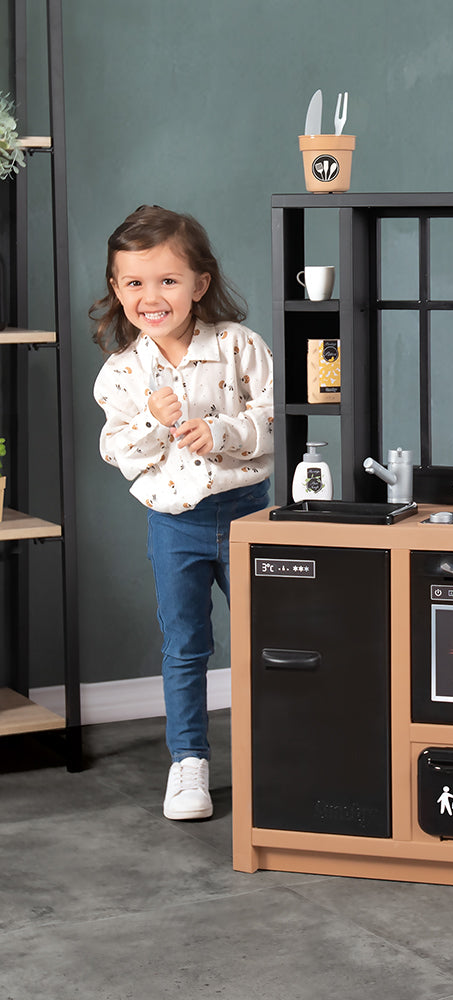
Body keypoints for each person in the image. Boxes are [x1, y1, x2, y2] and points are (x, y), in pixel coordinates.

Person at [92, 205, 273, 821]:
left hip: (247, 516)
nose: (152, 297)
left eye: (168, 280)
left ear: (200, 283)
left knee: (268, 635)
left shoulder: (239, 346)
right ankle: (189, 761)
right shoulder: (122, 374)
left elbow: (277, 420)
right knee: (186, 645)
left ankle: (276, 750)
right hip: (175, 524)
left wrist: (222, 432)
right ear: (118, 290)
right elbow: (117, 451)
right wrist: (153, 419)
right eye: (135, 283)